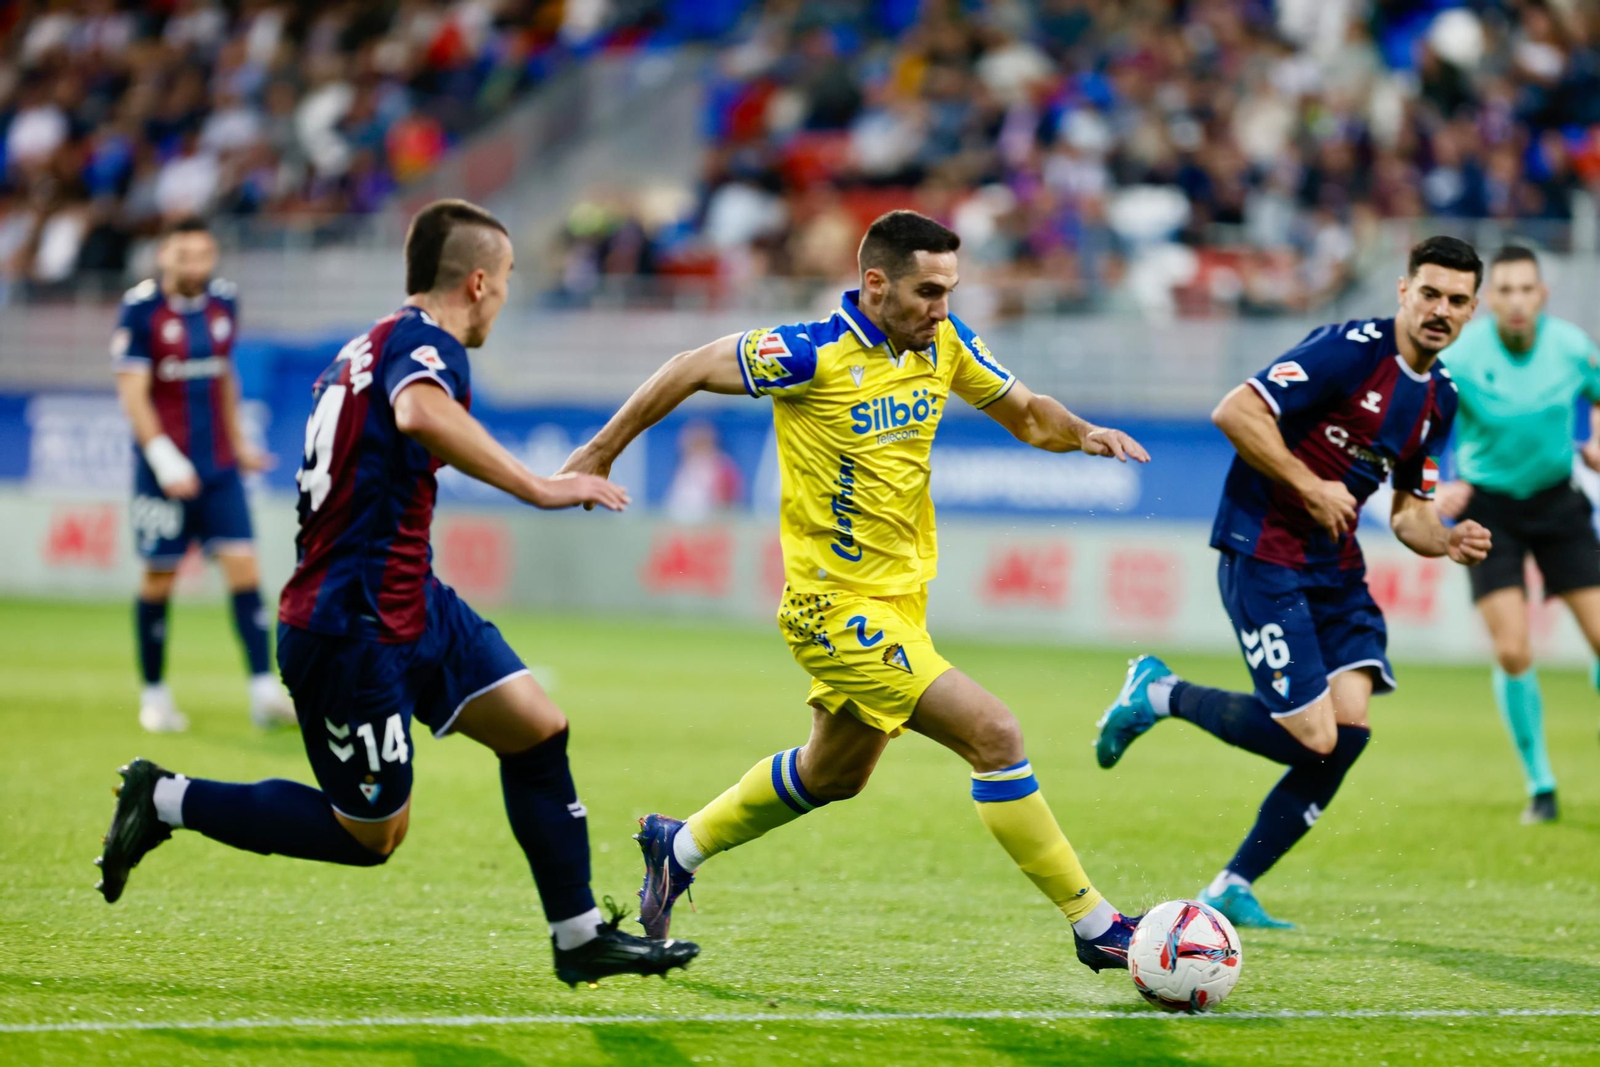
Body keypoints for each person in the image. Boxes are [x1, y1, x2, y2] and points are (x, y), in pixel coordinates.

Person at [96, 199, 699, 986]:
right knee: (370, 834)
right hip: (350, 626)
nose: (508, 296)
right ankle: (167, 797)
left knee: (537, 729)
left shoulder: (370, 343)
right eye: (509, 279)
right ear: (479, 282)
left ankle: (579, 935)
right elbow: (419, 412)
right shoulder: (425, 348)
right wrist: (537, 486)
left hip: (408, 595)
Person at [560, 210, 1154, 974]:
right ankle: (1096, 926)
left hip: (901, 604)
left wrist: (1083, 433)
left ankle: (677, 846)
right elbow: (687, 365)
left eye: (949, 290)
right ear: (875, 284)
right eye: (927, 291)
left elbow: (1029, 414)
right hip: (833, 611)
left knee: (834, 773)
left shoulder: (945, 344)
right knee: (995, 735)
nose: (940, 307)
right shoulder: (810, 353)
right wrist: (601, 452)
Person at [1095, 236, 1493, 929]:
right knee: (1313, 735)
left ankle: (1230, 884)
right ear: (1403, 290)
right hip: (1266, 547)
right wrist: (1310, 485)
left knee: (1350, 727)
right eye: (1430, 293)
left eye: (1457, 300)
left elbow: (1410, 516)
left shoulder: (1440, 401)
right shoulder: (1349, 350)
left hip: (1335, 567)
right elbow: (1235, 411)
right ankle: (1158, 692)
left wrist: (1450, 540)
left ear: (1471, 311)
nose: (1441, 309)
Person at [1435, 245, 1600, 824]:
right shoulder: (1459, 355)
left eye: (1525, 289)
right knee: (1512, 649)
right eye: (1503, 291)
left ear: (1542, 297)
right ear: (1486, 303)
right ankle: (1542, 785)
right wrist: (1439, 486)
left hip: (1559, 502)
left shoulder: (1573, 347)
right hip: (1489, 509)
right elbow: (1424, 428)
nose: (1516, 301)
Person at [112, 216, 295, 733]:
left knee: (245, 569)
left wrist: (239, 443)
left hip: (218, 468)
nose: (195, 265)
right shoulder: (140, 310)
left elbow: (223, 374)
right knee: (159, 577)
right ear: (163, 255)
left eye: (203, 255)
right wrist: (165, 460)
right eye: (184, 255)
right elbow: (133, 393)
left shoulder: (223, 303)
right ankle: (155, 695)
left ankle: (263, 691)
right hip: (162, 472)